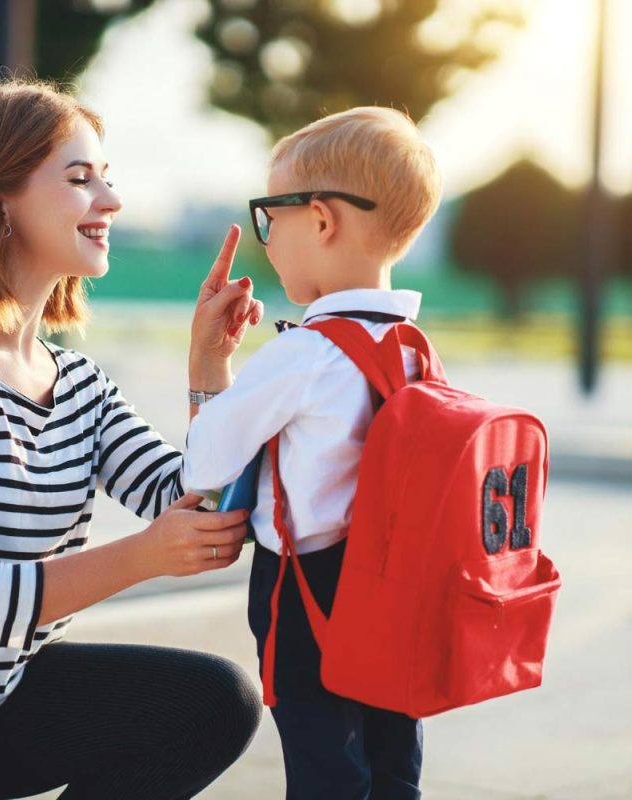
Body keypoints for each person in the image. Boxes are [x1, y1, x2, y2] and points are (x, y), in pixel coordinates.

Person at [0, 80, 264, 799]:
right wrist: (147, 554)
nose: (110, 201)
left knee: (214, 702)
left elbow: (203, 501)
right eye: (78, 179)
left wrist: (210, 366)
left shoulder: (75, 382)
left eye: (106, 177)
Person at [183, 107, 443, 799]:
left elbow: (204, 465)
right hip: (396, 587)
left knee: (324, 765)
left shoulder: (305, 352)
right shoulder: (417, 349)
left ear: (321, 220)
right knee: (391, 759)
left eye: (271, 218)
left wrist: (209, 367)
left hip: (308, 593)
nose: (266, 239)